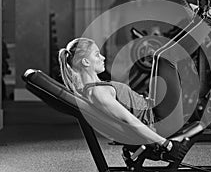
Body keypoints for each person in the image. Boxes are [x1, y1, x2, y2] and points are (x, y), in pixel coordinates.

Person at [58, 37, 189, 162]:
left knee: (159, 56)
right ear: (86, 62)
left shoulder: (95, 88)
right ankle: (206, 23)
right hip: (161, 119)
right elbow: (130, 120)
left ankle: (202, 21)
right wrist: (166, 144)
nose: (103, 58)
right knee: (166, 57)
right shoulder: (97, 93)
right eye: (97, 54)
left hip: (155, 108)